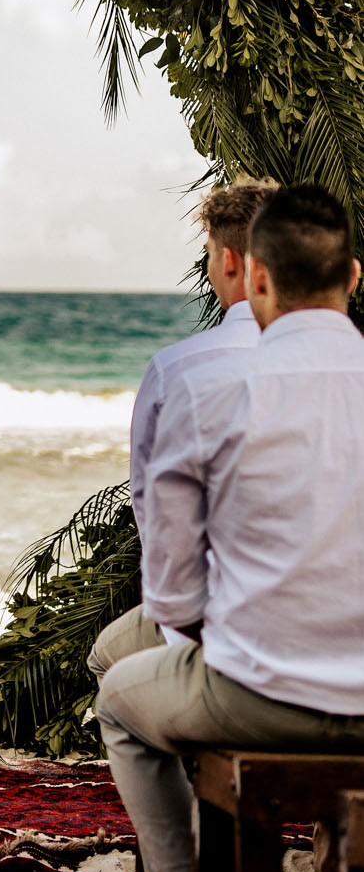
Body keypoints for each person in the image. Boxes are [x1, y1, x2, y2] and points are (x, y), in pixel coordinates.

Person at [98, 185, 364, 872]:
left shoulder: (207, 388)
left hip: (262, 693)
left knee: (119, 699)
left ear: (257, 278)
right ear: (353, 277)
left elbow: (175, 600)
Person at [87, 178, 275, 678]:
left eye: (209, 254)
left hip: (213, 616)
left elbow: (151, 508)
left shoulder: (176, 370)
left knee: (107, 661)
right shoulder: (335, 361)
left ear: (228, 262)